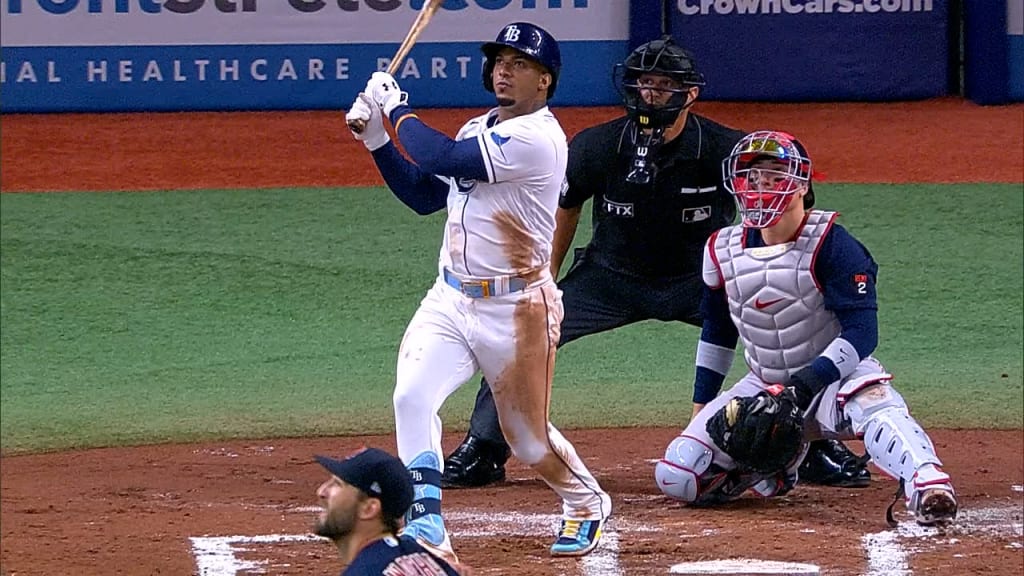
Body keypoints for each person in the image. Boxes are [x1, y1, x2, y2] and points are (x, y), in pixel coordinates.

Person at [440, 35, 871, 492]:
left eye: (664, 86)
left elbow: (777, 206)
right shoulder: (598, 145)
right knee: (523, 334)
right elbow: (566, 208)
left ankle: (814, 445)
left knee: (786, 328)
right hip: (610, 278)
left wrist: (764, 277)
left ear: (689, 94)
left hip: (699, 282)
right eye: (644, 84)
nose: (651, 95)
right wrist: (543, 283)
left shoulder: (725, 149)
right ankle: (485, 446)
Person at [343, 22, 611, 559]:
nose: (504, 70)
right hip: (450, 297)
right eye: (499, 61)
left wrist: (395, 110)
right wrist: (376, 139)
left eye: (520, 64)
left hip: (516, 309)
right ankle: (426, 521)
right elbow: (424, 194)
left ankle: (585, 502)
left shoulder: (538, 140)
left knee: (527, 441)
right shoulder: (477, 128)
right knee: (412, 396)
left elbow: (440, 158)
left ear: (545, 82)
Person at [653, 130, 958, 527]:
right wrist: (702, 408)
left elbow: (862, 333)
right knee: (678, 476)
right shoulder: (720, 248)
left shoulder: (832, 243)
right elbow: (718, 329)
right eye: (752, 177)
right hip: (763, 384)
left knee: (878, 407)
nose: (761, 187)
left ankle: (928, 484)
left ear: (800, 185)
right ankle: (775, 466)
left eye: (774, 177)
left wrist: (804, 386)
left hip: (834, 379)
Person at [313, 447, 464, 575]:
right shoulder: (426, 559)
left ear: (369, 508)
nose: (321, 492)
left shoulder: (365, 571)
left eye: (337, 484)